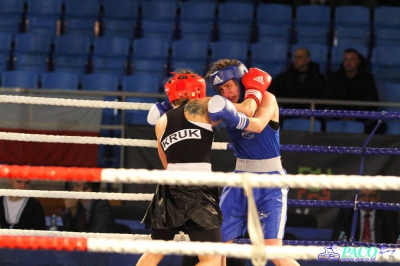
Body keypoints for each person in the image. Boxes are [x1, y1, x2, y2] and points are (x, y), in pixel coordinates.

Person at [205, 59, 299, 266]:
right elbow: (209, 119)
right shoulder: (224, 104)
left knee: (273, 250)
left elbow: (256, 125)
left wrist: (229, 112)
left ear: (240, 81)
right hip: (240, 178)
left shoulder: (267, 98)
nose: (225, 93)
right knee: (217, 244)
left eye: (228, 86)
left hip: (270, 181)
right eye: (220, 89)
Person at [137, 70, 225, 266]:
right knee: (212, 259)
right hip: (198, 186)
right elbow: (239, 110)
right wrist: (254, 93)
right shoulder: (201, 105)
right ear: (197, 90)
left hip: (169, 188)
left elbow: (166, 162)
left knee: (154, 251)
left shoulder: (160, 122)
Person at [324, 48, 383, 133]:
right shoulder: (334, 78)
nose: (348, 63)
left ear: (358, 62)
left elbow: (372, 100)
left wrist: (356, 115)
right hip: (337, 115)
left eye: (352, 59)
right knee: (319, 119)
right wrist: (341, 114)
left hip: (361, 116)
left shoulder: (367, 79)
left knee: (379, 124)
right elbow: (328, 98)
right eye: (346, 59)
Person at [331, 189, 399, 243]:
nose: (367, 199)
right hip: (353, 254)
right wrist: (359, 245)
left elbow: (393, 242)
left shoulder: (388, 215)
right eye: (363, 195)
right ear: (357, 198)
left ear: (378, 198)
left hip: (379, 256)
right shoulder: (346, 214)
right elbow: (336, 239)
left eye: (371, 196)